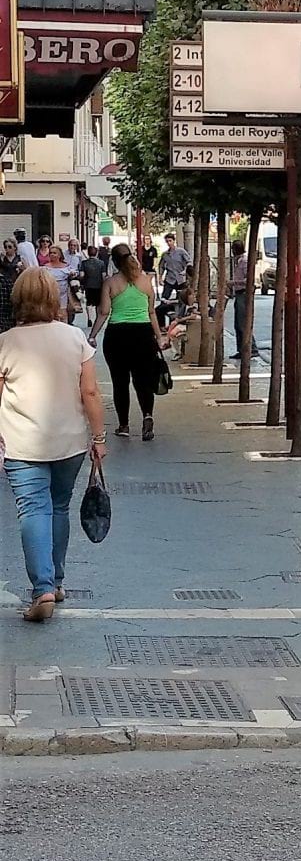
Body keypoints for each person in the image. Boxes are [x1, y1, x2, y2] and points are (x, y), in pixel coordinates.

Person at [0, 268, 108, 621]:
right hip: (69, 442)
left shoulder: (5, 343)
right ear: (53, 298)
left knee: (33, 510)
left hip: (21, 444)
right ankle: (57, 581)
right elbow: (90, 392)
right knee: (59, 507)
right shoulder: (75, 338)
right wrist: (99, 437)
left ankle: (42, 589)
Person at [91, 244, 167, 441]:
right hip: (143, 335)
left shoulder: (110, 283)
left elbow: (104, 312)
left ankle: (123, 425)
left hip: (117, 335)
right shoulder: (146, 281)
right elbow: (151, 312)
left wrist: (92, 336)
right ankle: (147, 416)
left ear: (115, 261)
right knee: (143, 380)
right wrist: (159, 337)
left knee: (120, 382)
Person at [228, 242, 256, 360]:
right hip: (239, 292)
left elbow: (248, 279)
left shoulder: (244, 261)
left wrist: (234, 283)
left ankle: (251, 348)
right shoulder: (238, 261)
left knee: (242, 322)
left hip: (243, 293)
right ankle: (241, 349)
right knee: (238, 323)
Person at [158, 233, 192, 315]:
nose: (169, 243)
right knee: (164, 298)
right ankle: (162, 316)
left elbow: (189, 262)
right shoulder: (165, 254)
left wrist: (185, 271)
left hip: (181, 279)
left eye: (170, 241)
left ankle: (180, 316)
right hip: (170, 279)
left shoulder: (181, 251)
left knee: (182, 299)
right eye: (167, 241)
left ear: (174, 241)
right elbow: (161, 266)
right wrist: (160, 277)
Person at [78, 246, 107, 334]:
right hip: (98, 286)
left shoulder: (84, 263)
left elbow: (82, 275)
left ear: (88, 253)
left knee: (89, 302)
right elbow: (103, 275)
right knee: (98, 304)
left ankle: (89, 318)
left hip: (88, 285)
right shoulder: (101, 263)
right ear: (96, 253)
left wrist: (80, 280)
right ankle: (97, 319)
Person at [0, 241, 22, 333]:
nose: (7, 249)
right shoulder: (2, 259)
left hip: (16, 283)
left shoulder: (19, 258)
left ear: (15, 248)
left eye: (9, 247)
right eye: (5, 247)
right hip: (4, 285)